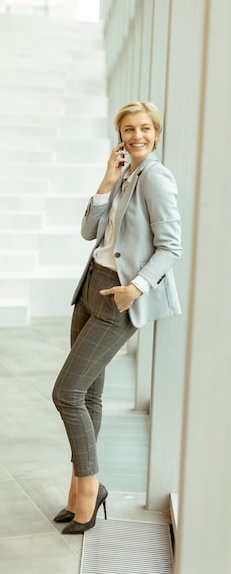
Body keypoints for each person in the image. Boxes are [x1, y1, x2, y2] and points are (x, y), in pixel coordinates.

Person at [52, 102, 182, 534]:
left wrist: (135, 289)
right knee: (87, 396)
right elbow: (90, 233)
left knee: (66, 393)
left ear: (157, 133)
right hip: (91, 287)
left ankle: (88, 488)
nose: (137, 135)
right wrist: (107, 181)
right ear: (120, 134)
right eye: (129, 129)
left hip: (117, 297)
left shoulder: (157, 178)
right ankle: (77, 489)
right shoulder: (126, 174)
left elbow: (171, 246)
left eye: (145, 128)